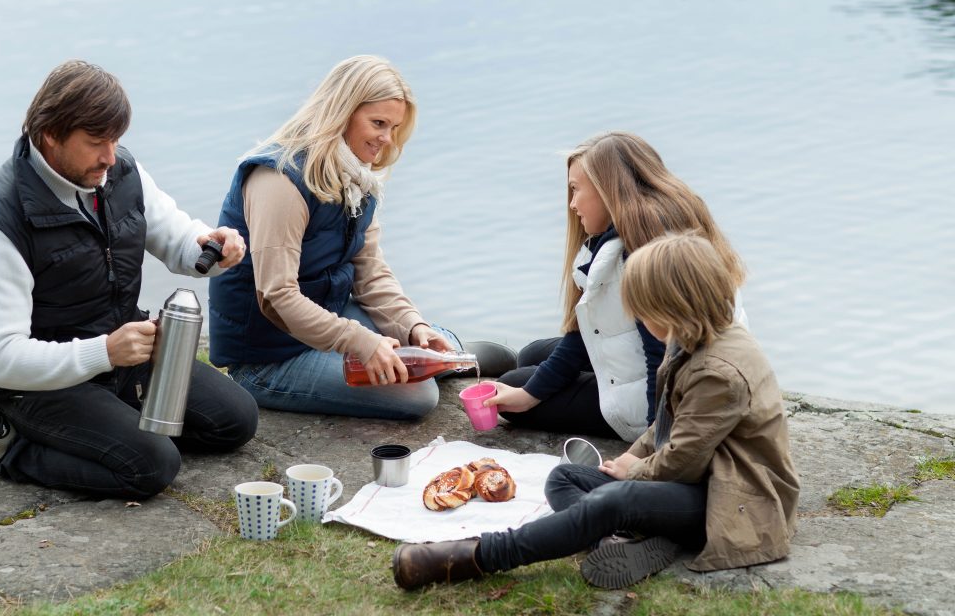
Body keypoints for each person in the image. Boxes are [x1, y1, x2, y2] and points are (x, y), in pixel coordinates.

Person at [393, 232, 799, 590]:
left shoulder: (720, 371)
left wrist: (633, 473)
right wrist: (633, 457)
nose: (637, 316)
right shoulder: (690, 337)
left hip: (732, 498)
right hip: (698, 481)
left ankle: (477, 556)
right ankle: (621, 543)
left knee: (613, 500)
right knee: (564, 478)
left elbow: (683, 462)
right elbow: (667, 423)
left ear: (673, 306)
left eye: (642, 308)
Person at [0, 60, 258, 499]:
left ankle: (107, 418)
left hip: (119, 357)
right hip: (39, 385)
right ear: (50, 134)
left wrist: (210, 245)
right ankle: (7, 445)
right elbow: (0, 360)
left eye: (116, 140)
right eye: (97, 142)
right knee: (152, 465)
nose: (110, 157)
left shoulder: (118, 171)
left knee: (236, 420)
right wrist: (106, 351)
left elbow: (175, 237)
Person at [207, 55, 515, 420]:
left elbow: (370, 269)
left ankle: (443, 350)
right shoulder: (278, 180)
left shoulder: (355, 175)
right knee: (417, 395)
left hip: (327, 312)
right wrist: (358, 340)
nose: (387, 139)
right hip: (267, 355)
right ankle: (444, 357)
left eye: (394, 127)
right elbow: (277, 296)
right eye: (378, 123)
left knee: (419, 344)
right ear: (342, 112)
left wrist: (412, 324)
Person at [485, 132, 746, 442]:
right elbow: (591, 329)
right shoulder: (669, 219)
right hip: (706, 376)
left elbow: (661, 358)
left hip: (664, 398)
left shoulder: (637, 251)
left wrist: (654, 446)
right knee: (531, 356)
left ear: (607, 190)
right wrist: (530, 393)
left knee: (516, 380)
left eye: (575, 189)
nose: (572, 204)